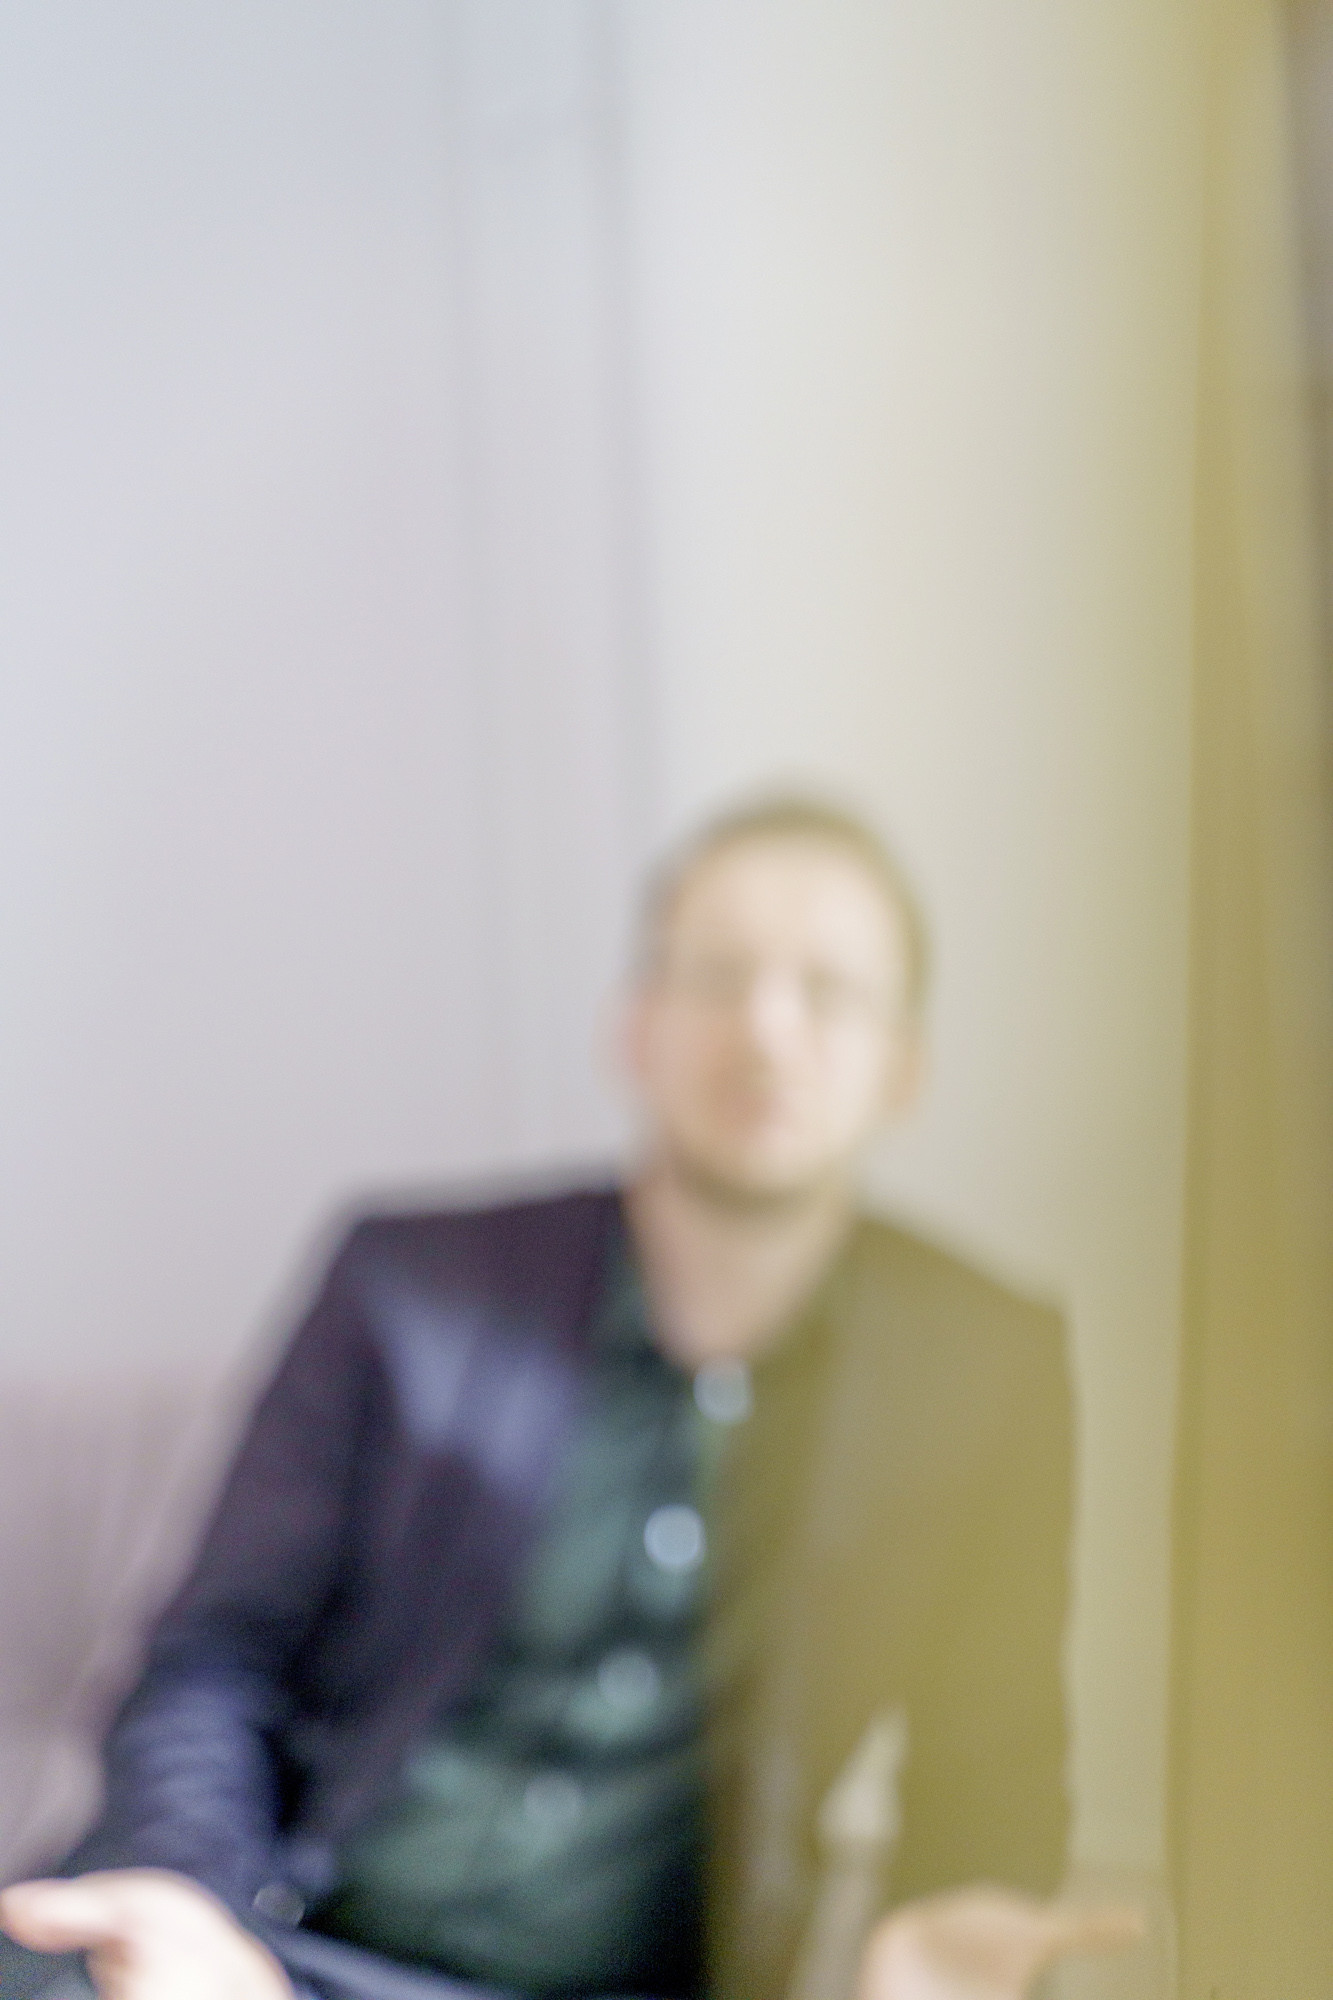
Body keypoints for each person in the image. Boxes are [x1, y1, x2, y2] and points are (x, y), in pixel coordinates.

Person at [0, 797, 1132, 2000]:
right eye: (719, 975)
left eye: (829, 989)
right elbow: (214, 1660)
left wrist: (936, 1934)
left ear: (904, 1065)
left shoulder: (984, 1366)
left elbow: (986, 1764)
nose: (766, 1027)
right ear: (635, 1027)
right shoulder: (400, 1280)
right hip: (288, 1949)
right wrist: (190, 1907)